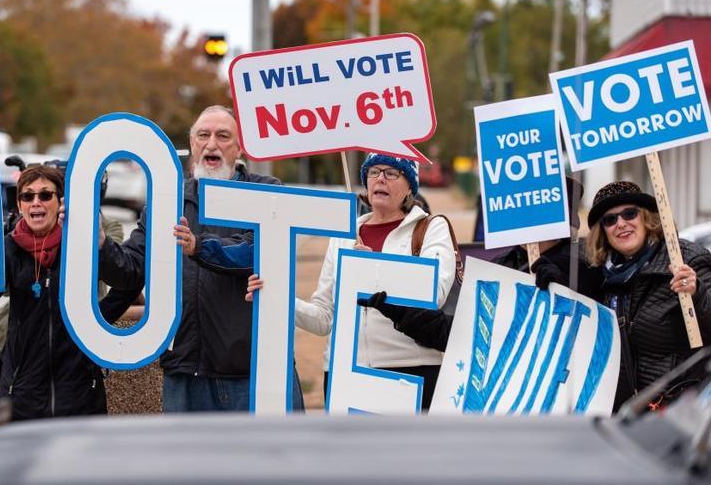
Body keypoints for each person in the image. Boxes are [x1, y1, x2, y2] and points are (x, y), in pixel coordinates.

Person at [98, 105, 304, 412]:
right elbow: (131, 269)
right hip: (185, 372)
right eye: (203, 135)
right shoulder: (168, 200)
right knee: (185, 462)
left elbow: (257, 252)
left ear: (239, 147)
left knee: (267, 460)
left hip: (252, 372)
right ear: (192, 144)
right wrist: (101, 244)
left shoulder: (267, 192)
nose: (211, 144)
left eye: (223, 136)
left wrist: (199, 248)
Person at [247, 153, 458, 410]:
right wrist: (277, 297)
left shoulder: (430, 228)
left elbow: (433, 293)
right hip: (344, 374)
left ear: (409, 187)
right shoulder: (344, 236)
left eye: (391, 173)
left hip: (411, 373)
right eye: (373, 172)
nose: (380, 179)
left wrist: (372, 269)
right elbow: (324, 318)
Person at [358, 176, 604, 363]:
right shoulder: (499, 267)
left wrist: (561, 291)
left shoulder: (586, 268)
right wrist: (401, 310)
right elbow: (460, 333)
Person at [0, 165, 110, 421]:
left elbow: (126, 278)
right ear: (19, 206)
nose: (35, 202)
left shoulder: (83, 243)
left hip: (79, 394)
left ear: (60, 201)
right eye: (27, 196)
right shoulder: (8, 249)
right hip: (24, 393)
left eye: (45, 195)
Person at [585, 181, 711, 410]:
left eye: (629, 213)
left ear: (646, 218)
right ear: (602, 231)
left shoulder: (685, 259)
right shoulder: (601, 277)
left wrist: (697, 292)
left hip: (682, 412)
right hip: (627, 416)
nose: (621, 224)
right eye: (610, 220)